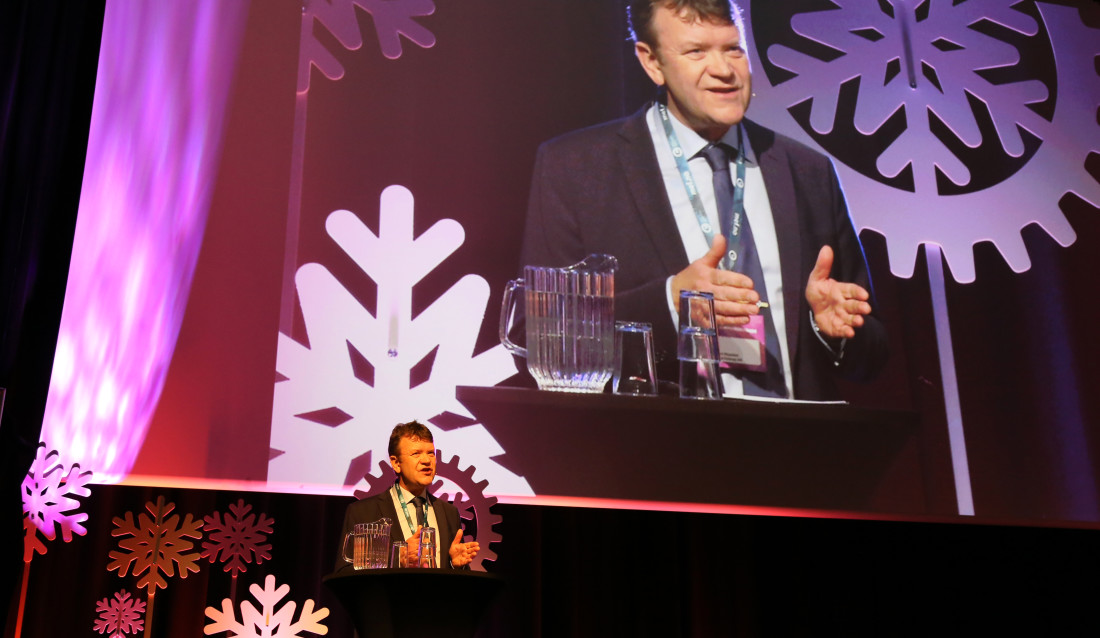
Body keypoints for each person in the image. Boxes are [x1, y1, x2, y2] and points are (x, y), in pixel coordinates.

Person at [519, 0, 888, 401]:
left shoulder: (807, 171)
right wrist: (671, 301)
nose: (724, 70)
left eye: (733, 48)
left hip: (797, 448)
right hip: (654, 449)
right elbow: (539, 336)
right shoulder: (577, 169)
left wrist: (831, 328)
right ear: (651, 62)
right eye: (696, 51)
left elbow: (872, 355)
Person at [335, 422, 479, 571]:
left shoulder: (450, 513)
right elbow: (345, 571)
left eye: (431, 453)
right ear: (396, 463)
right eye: (416, 453)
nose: (426, 460)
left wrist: (455, 565)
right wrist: (398, 558)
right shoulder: (363, 513)